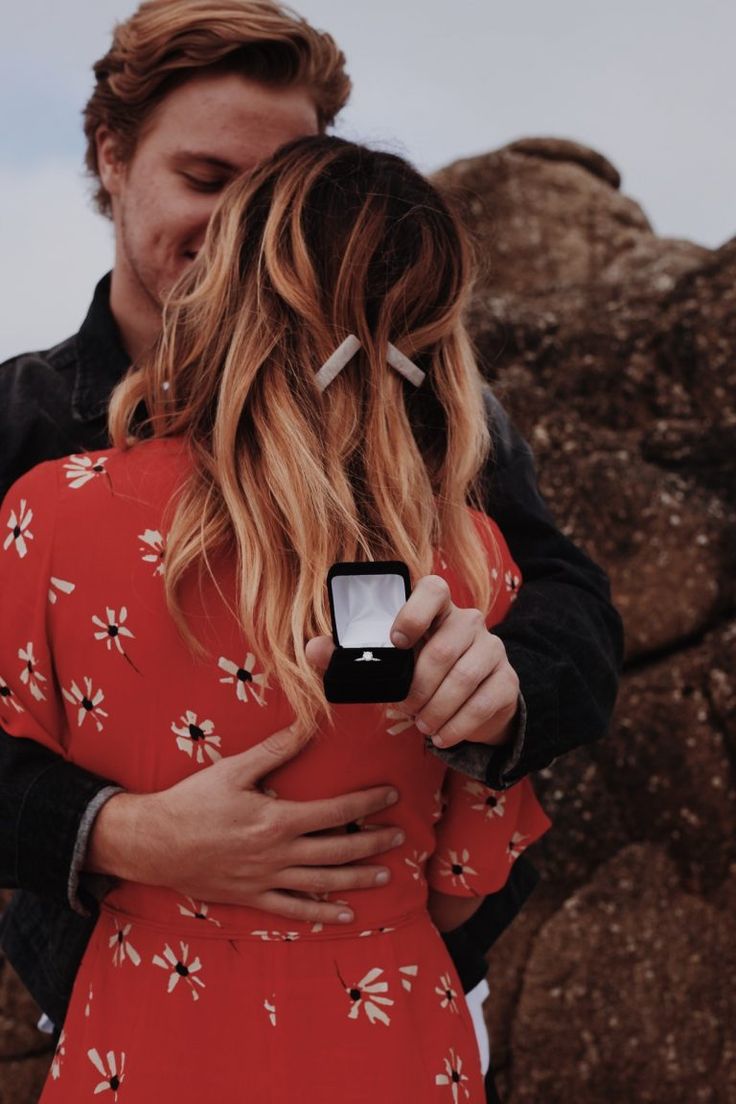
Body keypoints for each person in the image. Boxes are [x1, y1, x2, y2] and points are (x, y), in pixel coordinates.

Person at [0, 0, 622, 1096]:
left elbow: (569, 600)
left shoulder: (433, 421)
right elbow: (465, 868)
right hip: (141, 979)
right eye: (207, 179)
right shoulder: (22, 427)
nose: (248, 228)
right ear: (112, 154)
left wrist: (506, 691)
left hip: (345, 990)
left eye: (279, 189)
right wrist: (126, 834)